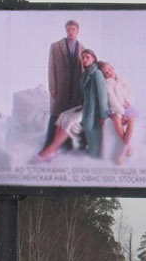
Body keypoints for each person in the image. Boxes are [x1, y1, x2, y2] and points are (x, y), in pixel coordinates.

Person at [36, 49, 108, 160]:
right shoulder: (85, 75)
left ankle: (49, 150)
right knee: (63, 116)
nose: (84, 60)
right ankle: (54, 148)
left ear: (93, 58)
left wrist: (104, 114)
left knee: (70, 121)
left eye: (87, 57)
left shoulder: (97, 74)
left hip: (93, 109)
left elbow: (102, 96)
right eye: (83, 57)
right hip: (84, 106)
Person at [44, 20, 84, 150]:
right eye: (68, 29)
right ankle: (49, 143)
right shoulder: (56, 46)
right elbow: (51, 68)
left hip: (75, 90)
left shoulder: (82, 48)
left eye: (73, 29)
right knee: (55, 115)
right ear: (65, 30)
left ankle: (67, 145)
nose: (71, 32)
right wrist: (52, 87)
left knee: (69, 118)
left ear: (77, 31)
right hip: (60, 88)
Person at [99, 61, 138, 164]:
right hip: (116, 108)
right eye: (106, 73)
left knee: (131, 118)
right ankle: (128, 147)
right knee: (116, 118)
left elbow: (131, 92)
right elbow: (112, 100)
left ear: (113, 68)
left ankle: (123, 151)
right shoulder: (107, 85)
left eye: (110, 70)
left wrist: (128, 103)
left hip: (127, 105)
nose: (109, 73)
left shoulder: (123, 79)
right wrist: (121, 110)